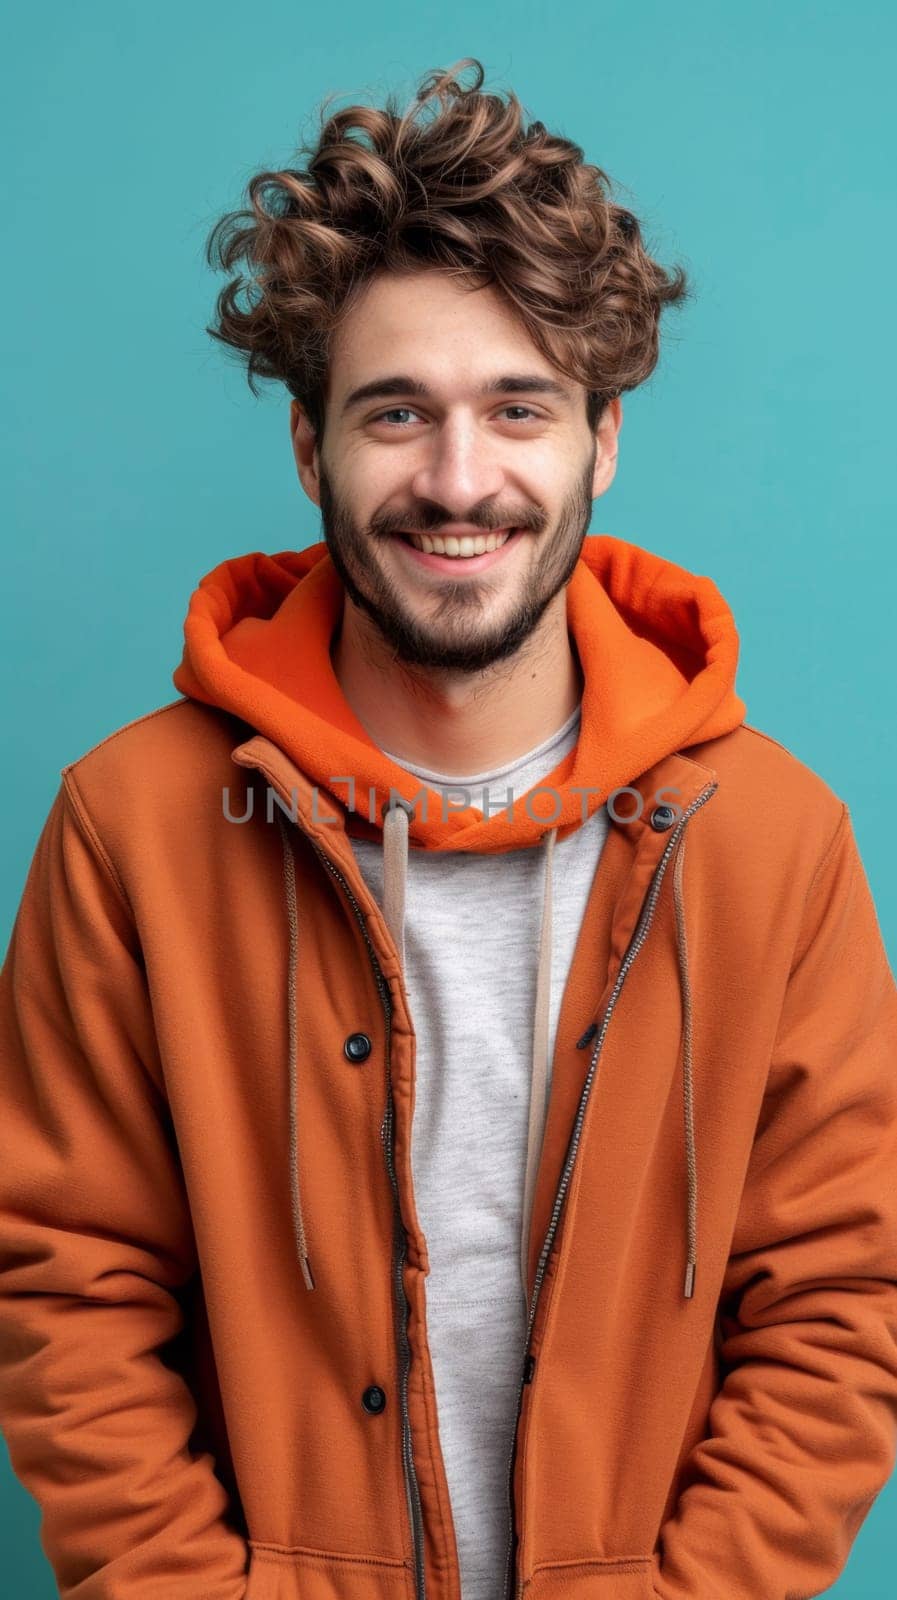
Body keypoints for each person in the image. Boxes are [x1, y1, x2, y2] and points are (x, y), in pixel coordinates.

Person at [1, 56, 896, 1600]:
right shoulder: (131, 824)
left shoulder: (771, 838)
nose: (458, 480)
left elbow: (835, 1301)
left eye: (519, 409)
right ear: (308, 449)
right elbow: (65, 1292)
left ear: (602, 442)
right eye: (396, 412)